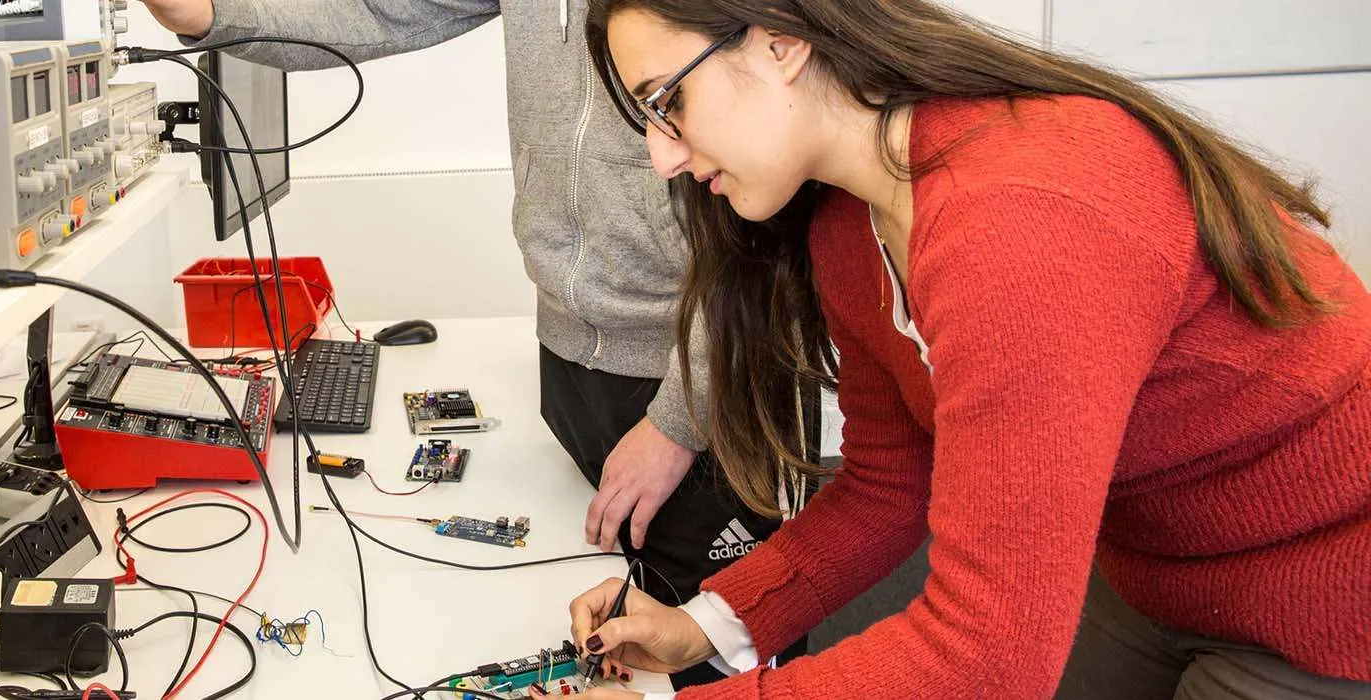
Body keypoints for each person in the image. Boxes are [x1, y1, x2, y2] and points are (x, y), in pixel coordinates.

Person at [550, 0, 1371, 698]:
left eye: (669, 103)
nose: (663, 156)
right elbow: (887, 487)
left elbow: (989, 655)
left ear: (779, 41)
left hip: (1323, 607)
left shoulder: (1017, 221)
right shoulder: (852, 218)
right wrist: (702, 626)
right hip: (1153, 573)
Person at [134, 0, 816, 679]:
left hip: (715, 373)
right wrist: (208, 15)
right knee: (615, 629)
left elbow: (768, 239)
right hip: (574, 359)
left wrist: (677, 422)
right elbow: (379, 13)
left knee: (728, 642)